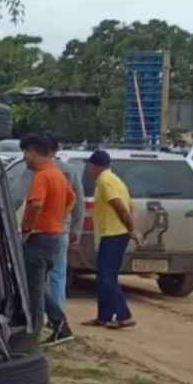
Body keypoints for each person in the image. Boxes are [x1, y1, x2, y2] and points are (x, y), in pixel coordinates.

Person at [18, 132, 77, 346]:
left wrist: (26, 227)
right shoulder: (58, 174)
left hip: (39, 238)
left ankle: (33, 334)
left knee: (33, 289)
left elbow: (35, 204)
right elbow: (73, 199)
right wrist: (59, 219)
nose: (24, 158)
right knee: (39, 286)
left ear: (33, 153)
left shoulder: (42, 176)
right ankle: (60, 325)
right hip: (54, 236)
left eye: (25, 153)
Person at [83, 150, 144, 329]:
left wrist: (131, 230)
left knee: (107, 277)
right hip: (114, 233)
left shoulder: (105, 181)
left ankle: (124, 315)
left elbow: (121, 208)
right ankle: (104, 316)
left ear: (94, 167)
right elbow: (131, 207)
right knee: (104, 277)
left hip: (114, 234)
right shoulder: (116, 180)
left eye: (90, 167)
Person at [45, 139, 85, 320]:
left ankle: (42, 315)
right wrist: (76, 229)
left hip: (41, 229)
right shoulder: (69, 171)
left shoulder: (38, 169)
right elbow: (78, 201)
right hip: (63, 230)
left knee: (38, 274)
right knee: (58, 275)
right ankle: (58, 315)